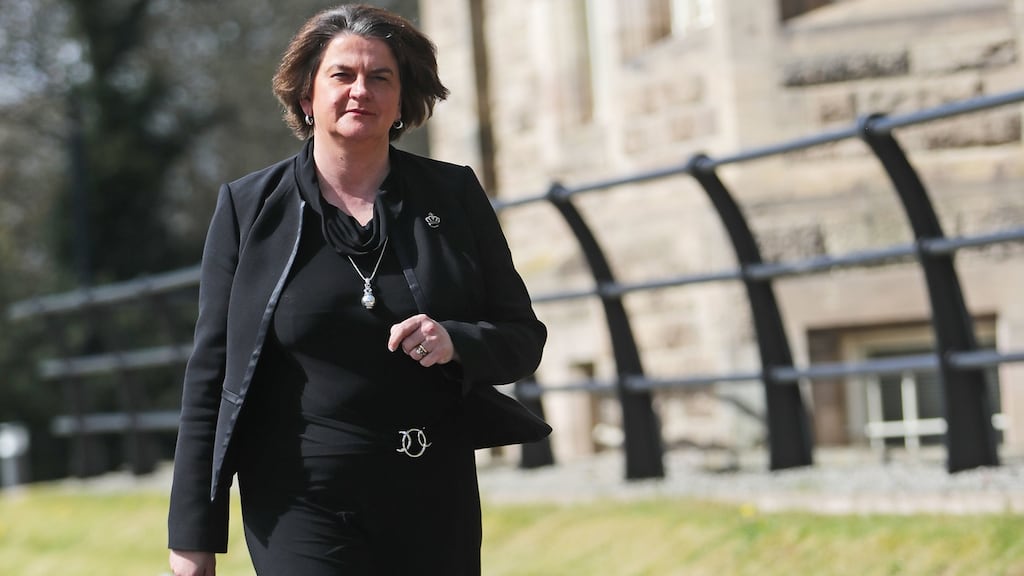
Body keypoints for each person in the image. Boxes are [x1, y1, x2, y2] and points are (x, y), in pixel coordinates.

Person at [166, 4, 548, 575]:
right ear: (305, 97)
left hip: (430, 490)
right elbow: (213, 376)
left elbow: (523, 338)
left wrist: (456, 341)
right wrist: (193, 534)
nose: (360, 91)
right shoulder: (249, 209)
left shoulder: (453, 194)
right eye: (341, 75)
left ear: (401, 100)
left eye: (380, 77)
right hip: (298, 497)